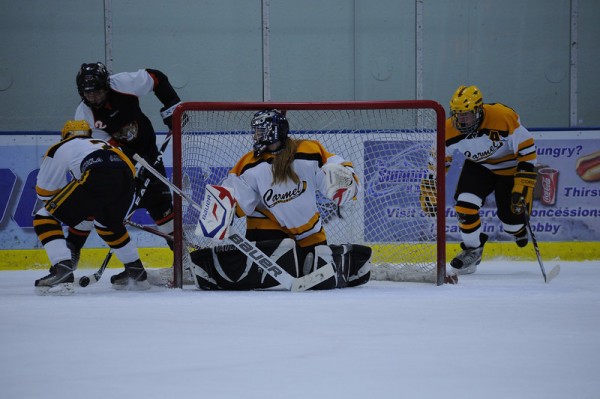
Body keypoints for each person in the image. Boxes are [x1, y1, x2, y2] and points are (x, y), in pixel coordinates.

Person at [189, 109, 372, 290]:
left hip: (308, 231)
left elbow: (335, 170)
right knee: (284, 254)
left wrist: (344, 181)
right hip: (266, 232)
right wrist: (220, 213)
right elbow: (234, 197)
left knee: (322, 274)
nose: (255, 136)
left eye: (260, 131)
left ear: (274, 131)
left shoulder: (308, 151)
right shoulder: (251, 164)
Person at [67, 62, 181, 278]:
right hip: (115, 164)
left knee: (161, 206)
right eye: (87, 93)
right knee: (100, 208)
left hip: (149, 151)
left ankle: (183, 261)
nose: (93, 97)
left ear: (106, 85)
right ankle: (74, 259)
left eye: (98, 91)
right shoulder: (83, 114)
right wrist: (134, 166)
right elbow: (103, 147)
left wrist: (172, 106)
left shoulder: (124, 83)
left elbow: (157, 77)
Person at [420, 85, 537, 274]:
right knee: (464, 206)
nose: (461, 119)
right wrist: (430, 187)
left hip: (510, 168)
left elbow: (527, 148)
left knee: (512, 222)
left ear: (479, 110)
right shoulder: (448, 129)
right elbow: (437, 163)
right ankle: (472, 250)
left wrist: (524, 182)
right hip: (479, 166)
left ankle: (518, 229)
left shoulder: (502, 116)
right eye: (457, 114)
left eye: (466, 114)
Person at [33, 120, 151, 295]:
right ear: (88, 134)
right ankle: (137, 273)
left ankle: (62, 269)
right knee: (107, 224)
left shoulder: (59, 147)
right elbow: (129, 170)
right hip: (125, 177)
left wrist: (73, 205)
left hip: (97, 173)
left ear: (64, 136)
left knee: (44, 216)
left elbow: (44, 192)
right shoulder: (102, 143)